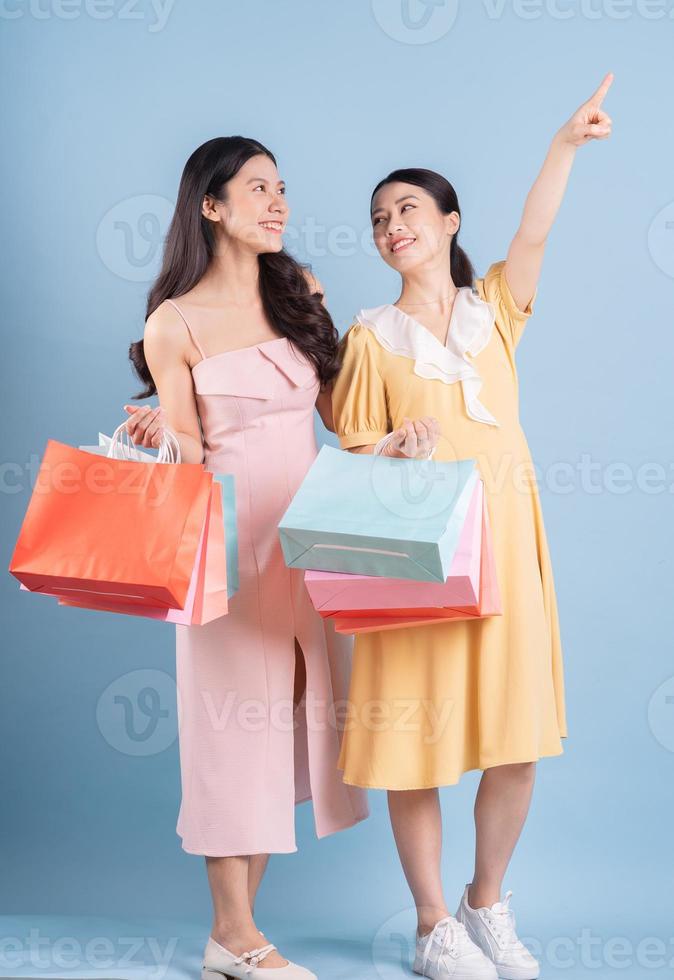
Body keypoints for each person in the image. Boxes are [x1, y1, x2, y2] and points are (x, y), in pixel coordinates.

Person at [331, 74, 613, 980]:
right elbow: (350, 445)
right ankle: (428, 924)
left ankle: (484, 902)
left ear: (449, 222)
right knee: (418, 737)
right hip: (418, 557)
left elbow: (534, 230)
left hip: (506, 547)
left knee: (518, 739)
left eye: (407, 209)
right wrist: (393, 447)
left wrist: (562, 146)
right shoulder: (371, 336)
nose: (391, 227)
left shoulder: (495, 307)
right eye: (378, 219)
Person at [125, 135, 369, 980]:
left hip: (306, 546)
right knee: (232, 738)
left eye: (282, 188)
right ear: (211, 206)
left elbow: (338, 413)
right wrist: (161, 432)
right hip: (226, 552)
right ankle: (235, 937)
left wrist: (397, 442)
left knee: (289, 729)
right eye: (258, 188)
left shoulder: (299, 291)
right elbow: (189, 456)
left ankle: (236, 934)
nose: (278, 203)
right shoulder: (174, 322)